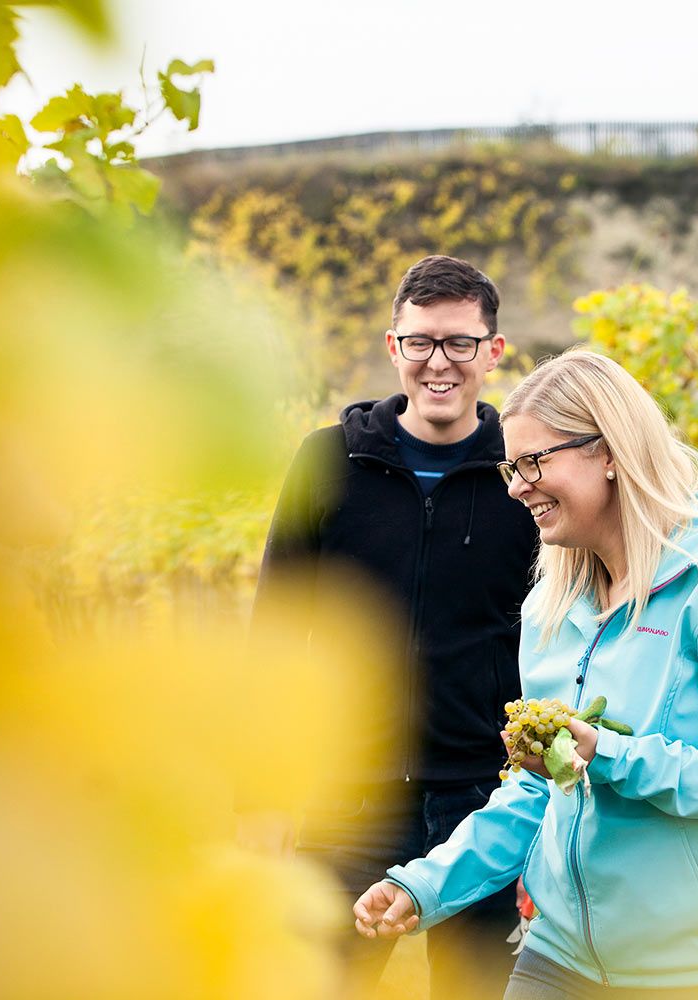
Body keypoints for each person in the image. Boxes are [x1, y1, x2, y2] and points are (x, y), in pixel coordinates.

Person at [353, 349, 698, 997]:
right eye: (510, 467)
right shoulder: (554, 606)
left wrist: (611, 755)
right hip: (562, 954)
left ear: (608, 452)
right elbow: (541, 787)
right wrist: (425, 883)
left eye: (533, 463)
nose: (516, 486)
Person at [250, 255, 538, 997]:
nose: (438, 362)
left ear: (493, 351)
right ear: (393, 347)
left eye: (459, 343)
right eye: (421, 342)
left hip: (489, 800)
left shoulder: (525, 477)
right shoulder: (328, 462)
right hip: (350, 797)